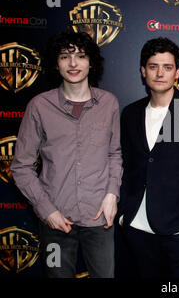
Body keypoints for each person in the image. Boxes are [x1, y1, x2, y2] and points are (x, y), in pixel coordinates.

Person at [11, 30, 122, 278]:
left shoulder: (109, 103)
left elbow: (114, 154)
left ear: (91, 63)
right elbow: (21, 167)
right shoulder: (39, 106)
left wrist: (112, 194)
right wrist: (47, 209)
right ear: (56, 63)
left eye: (81, 56)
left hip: (99, 218)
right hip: (55, 221)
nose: (73, 64)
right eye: (65, 56)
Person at [118, 37, 179, 278]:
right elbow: (122, 164)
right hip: (136, 228)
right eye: (153, 66)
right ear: (143, 71)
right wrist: (122, 215)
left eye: (167, 67)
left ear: (178, 73)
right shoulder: (130, 113)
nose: (160, 73)